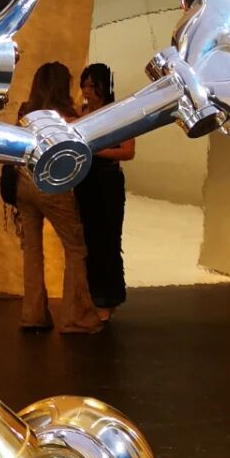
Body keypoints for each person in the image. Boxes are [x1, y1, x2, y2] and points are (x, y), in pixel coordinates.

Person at [15, 62, 104, 334]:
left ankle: (33, 315)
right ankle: (77, 317)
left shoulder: (25, 113)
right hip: (52, 188)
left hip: (22, 185)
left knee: (32, 251)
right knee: (75, 248)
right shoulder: (66, 118)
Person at [75, 62, 133, 319]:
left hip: (108, 181)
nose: (87, 91)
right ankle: (90, 296)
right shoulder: (80, 111)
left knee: (108, 239)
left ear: (104, 87)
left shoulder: (119, 113)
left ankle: (108, 298)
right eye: (84, 85)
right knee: (87, 239)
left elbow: (128, 151)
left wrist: (94, 150)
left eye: (92, 85)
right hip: (85, 180)